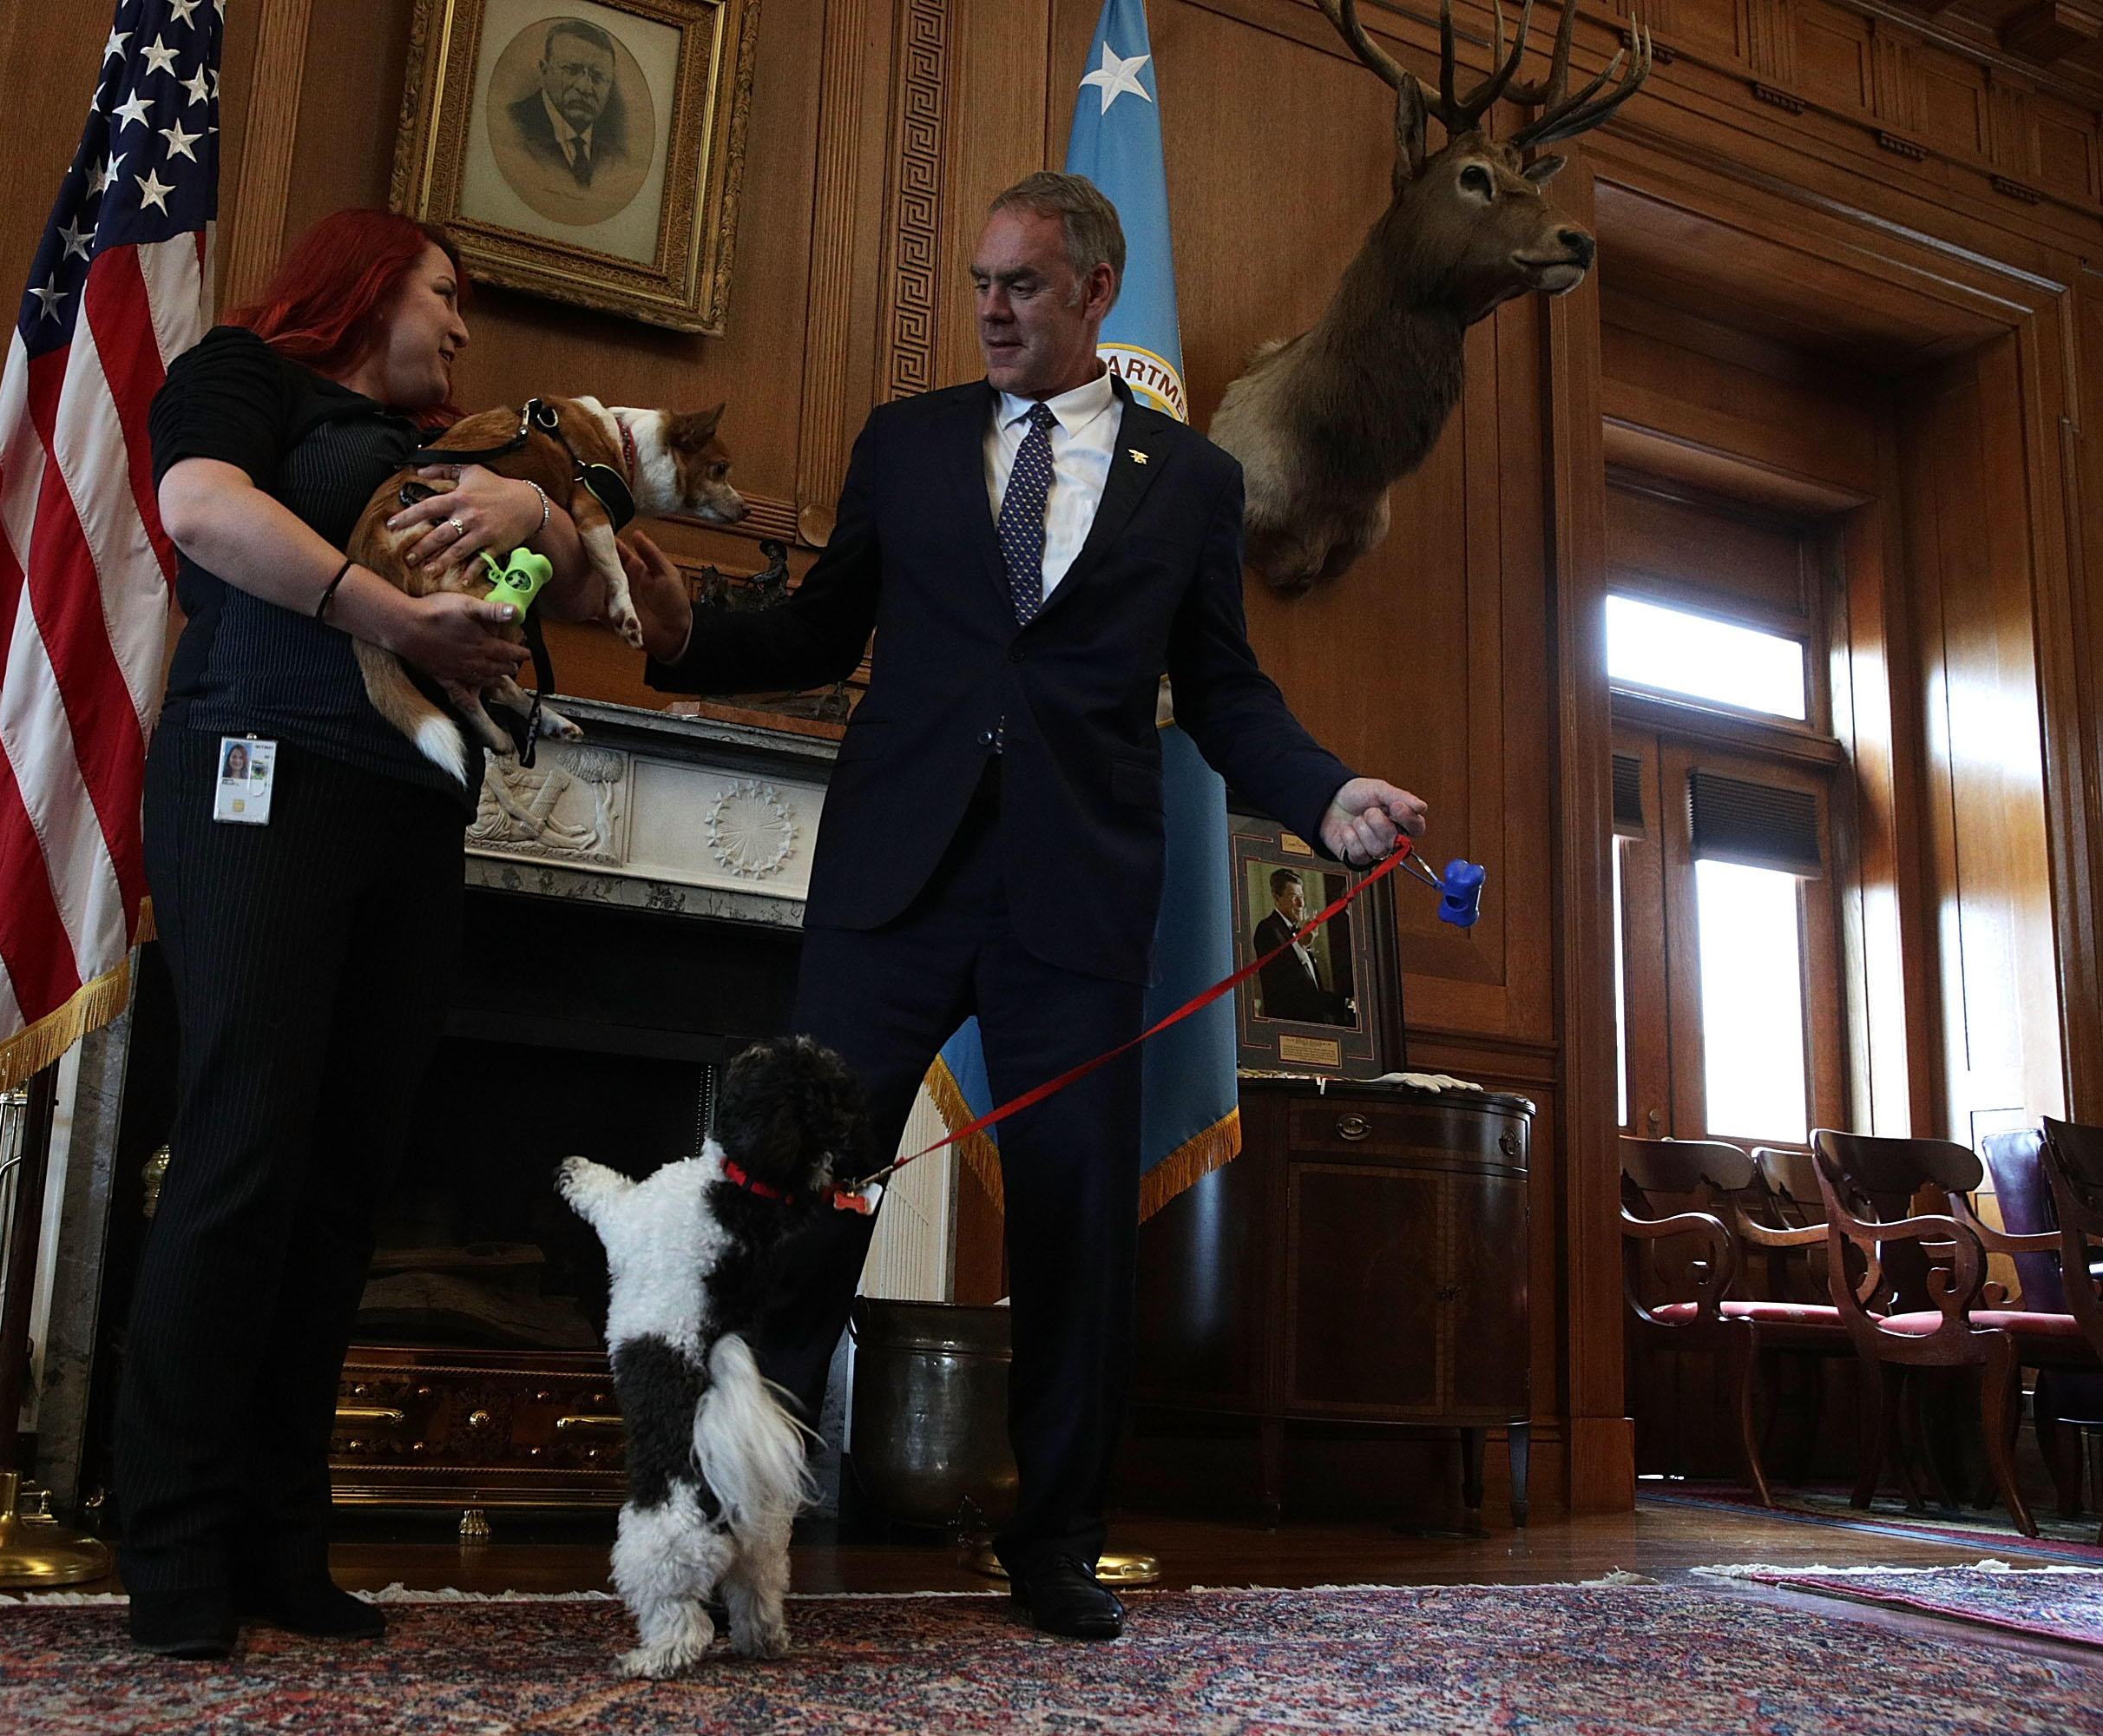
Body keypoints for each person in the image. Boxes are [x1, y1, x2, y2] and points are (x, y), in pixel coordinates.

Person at [618, 172, 1428, 1642]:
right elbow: (820, 623)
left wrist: (1325, 795)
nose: (991, 310)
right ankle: (730, 1532)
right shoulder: (910, 443)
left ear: (1096, 293)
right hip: (897, 879)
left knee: (1070, 1228)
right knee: (799, 1208)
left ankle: (1055, 1541)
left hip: (1075, 894)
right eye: (982, 283)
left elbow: (1228, 695)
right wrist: (689, 641)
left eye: (1024, 287)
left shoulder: (1191, 484)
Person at [118, 207, 611, 1660]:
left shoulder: (444, 457)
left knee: (345, 1182)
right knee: (243, 1147)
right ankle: (175, 1542)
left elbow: (585, 589)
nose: (462, 327)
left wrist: (533, 520)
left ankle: (282, 1538)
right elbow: (202, 511)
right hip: (254, 773)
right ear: (362, 278)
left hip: (409, 808)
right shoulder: (243, 374)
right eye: (444, 293)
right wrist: (389, 610)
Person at [509, 19, 628, 191]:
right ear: (544, 71)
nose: (585, 88)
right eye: (572, 70)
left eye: (597, 77)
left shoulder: (616, 156)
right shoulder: (512, 128)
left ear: (610, 86)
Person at [1253, 867, 1352, 1025]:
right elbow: (1283, 984)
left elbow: (1312, 993)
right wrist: (1301, 945)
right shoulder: (1268, 929)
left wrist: (1347, 1004)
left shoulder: (1298, 932)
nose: (1301, 904)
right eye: (1294, 897)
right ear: (1276, 897)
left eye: (1302, 897)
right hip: (1288, 1028)